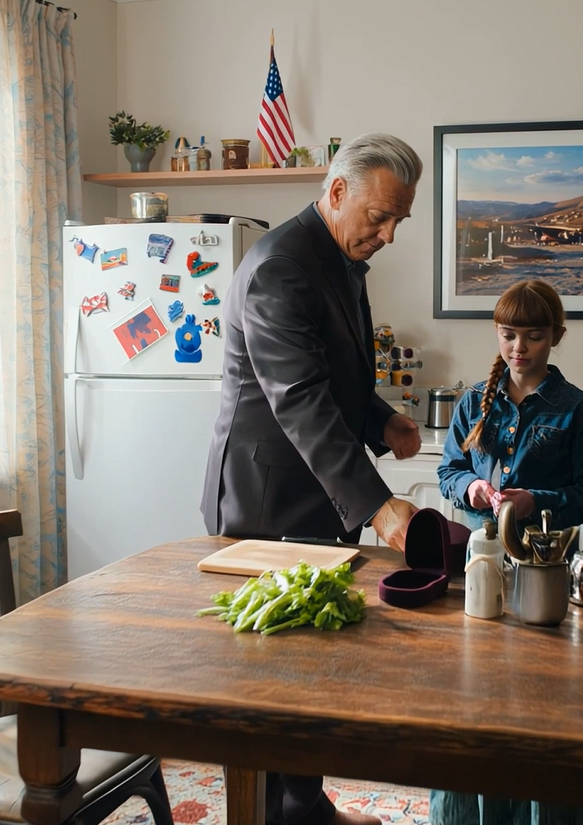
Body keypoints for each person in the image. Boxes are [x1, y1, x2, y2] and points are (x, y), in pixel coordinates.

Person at [200, 132, 424, 825]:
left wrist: (381, 419)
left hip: (310, 496)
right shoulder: (280, 267)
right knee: (269, 681)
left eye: (399, 222)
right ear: (335, 193)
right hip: (266, 500)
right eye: (378, 217)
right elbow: (296, 399)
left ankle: (304, 809)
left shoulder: (338, 256)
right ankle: (274, 813)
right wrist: (381, 507)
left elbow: (335, 376)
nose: (387, 235)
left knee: (307, 673)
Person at [432, 280, 583, 825]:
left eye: (533, 336)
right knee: (470, 705)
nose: (519, 348)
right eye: (510, 335)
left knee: (547, 709)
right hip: (477, 570)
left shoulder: (581, 411)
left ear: (555, 335)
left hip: (546, 572)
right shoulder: (472, 403)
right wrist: (471, 490)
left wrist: (536, 500)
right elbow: (447, 472)